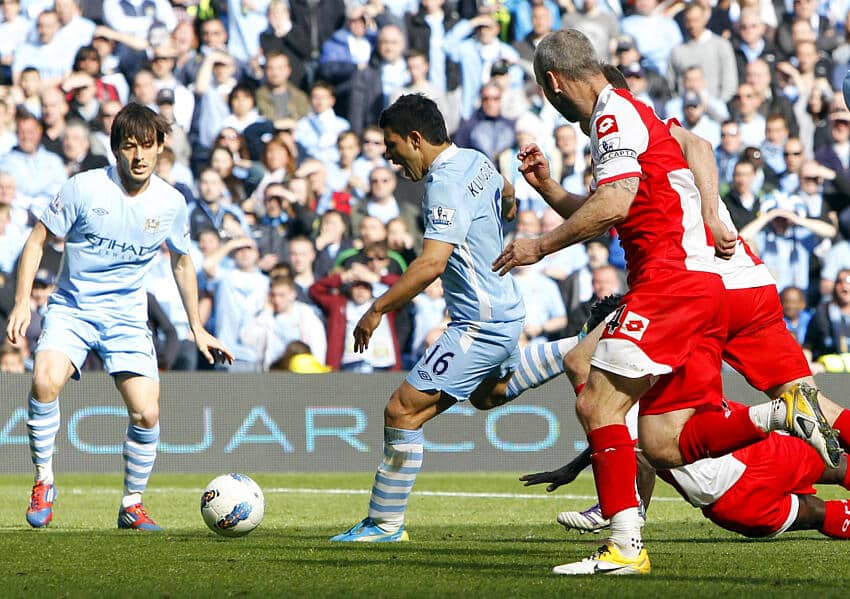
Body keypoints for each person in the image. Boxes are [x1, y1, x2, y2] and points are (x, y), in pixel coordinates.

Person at [491, 30, 839, 575]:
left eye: (542, 89)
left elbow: (614, 203)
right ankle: (777, 415)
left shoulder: (611, 116)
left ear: (553, 82)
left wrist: (538, 245)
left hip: (675, 283)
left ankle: (625, 542)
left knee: (595, 398)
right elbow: (628, 198)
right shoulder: (636, 115)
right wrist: (550, 190)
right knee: (662, 443)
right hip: (716, 282)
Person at [330, 94, 580, 543]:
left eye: (392, 146)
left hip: (478, 324)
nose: (390, 158)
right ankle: (578, 346)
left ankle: (384, 524)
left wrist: (376, 309)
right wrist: (507, 208)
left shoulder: (442, 185)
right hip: (506, 309)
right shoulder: (475, 158)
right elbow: (506, 188)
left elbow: (431, 263)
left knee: (401, 411)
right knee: (489, 394)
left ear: (415, 138)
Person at [4, 103, 233, 531]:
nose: (139, 156)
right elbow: (36, 241)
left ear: (161, 147)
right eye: (130, 146)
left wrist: (197, 327)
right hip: (73, 308)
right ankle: (44, 481)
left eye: (147, 145)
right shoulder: (83, 188)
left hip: (126, 317)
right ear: (115, 149)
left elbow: (183, 262)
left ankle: (132, 504)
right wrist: (21, 301)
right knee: (44, 381)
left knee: (147, 413)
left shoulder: (171, 202)